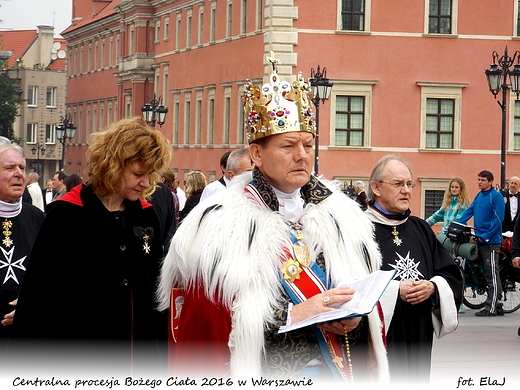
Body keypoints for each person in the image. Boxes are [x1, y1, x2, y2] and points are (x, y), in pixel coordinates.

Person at [157, 57, 389, 383]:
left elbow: (365, 295)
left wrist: (355, 319)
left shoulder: (343, 215)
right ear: (256, 154)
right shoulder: (219, 222)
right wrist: (294, 313)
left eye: (308, 145)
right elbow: (211, 321)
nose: (302, 155)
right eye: (288, 145)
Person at [11, 118, 172, 376]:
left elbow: (156, 294)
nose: (145, 183)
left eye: (150, 175)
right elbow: (37, 296)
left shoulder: (147, 216)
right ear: (113, 166)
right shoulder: (66, 215)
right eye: (138, 174)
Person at [365, 154, 462, 383]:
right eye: (398, 184)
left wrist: (432, 286)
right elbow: (349, 283)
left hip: (419, 331)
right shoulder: (359, 229)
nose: (407, 190)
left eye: (409, 184)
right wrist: (395, 290)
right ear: (376, 188)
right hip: (379, 336)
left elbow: (451, 274)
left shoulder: (420, 228)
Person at [0, 138, 44, 365]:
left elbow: (52, 275)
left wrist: (31, 306)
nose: (19, 174)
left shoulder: (37, 217)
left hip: (27, 340)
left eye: (22, 168)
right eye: (9, 168)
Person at [456, 170, 505, 317]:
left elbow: (498, 218)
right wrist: (457, 224)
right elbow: (470, 211)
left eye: (483, 180)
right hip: (480, 239)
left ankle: (491, 308)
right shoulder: (479, 195)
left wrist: (486, 235)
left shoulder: (496, 196)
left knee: (492, 274)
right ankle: (498, 303)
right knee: (486, 273)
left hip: (491, 241)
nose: (479, 182)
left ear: (490, 182)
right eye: (478, 179)